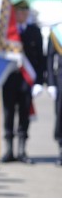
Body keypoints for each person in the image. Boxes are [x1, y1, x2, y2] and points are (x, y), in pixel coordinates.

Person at [0, 0, 45, 163]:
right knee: (8, 114)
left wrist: (39, 81)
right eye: (20, 12)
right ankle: (9, 150)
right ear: (14, 14)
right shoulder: (7, 32)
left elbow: (41, 59)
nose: (23, 15)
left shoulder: (34, 31)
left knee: (24, 115)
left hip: (27, 81)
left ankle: (22, 150)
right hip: (9, 80)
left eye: (26, 12)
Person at [46, 21, 62, 166]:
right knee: (61, 115)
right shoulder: (57, 31)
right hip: (61, 80)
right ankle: (61, 148)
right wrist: (51, 83)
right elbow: (50, 58)